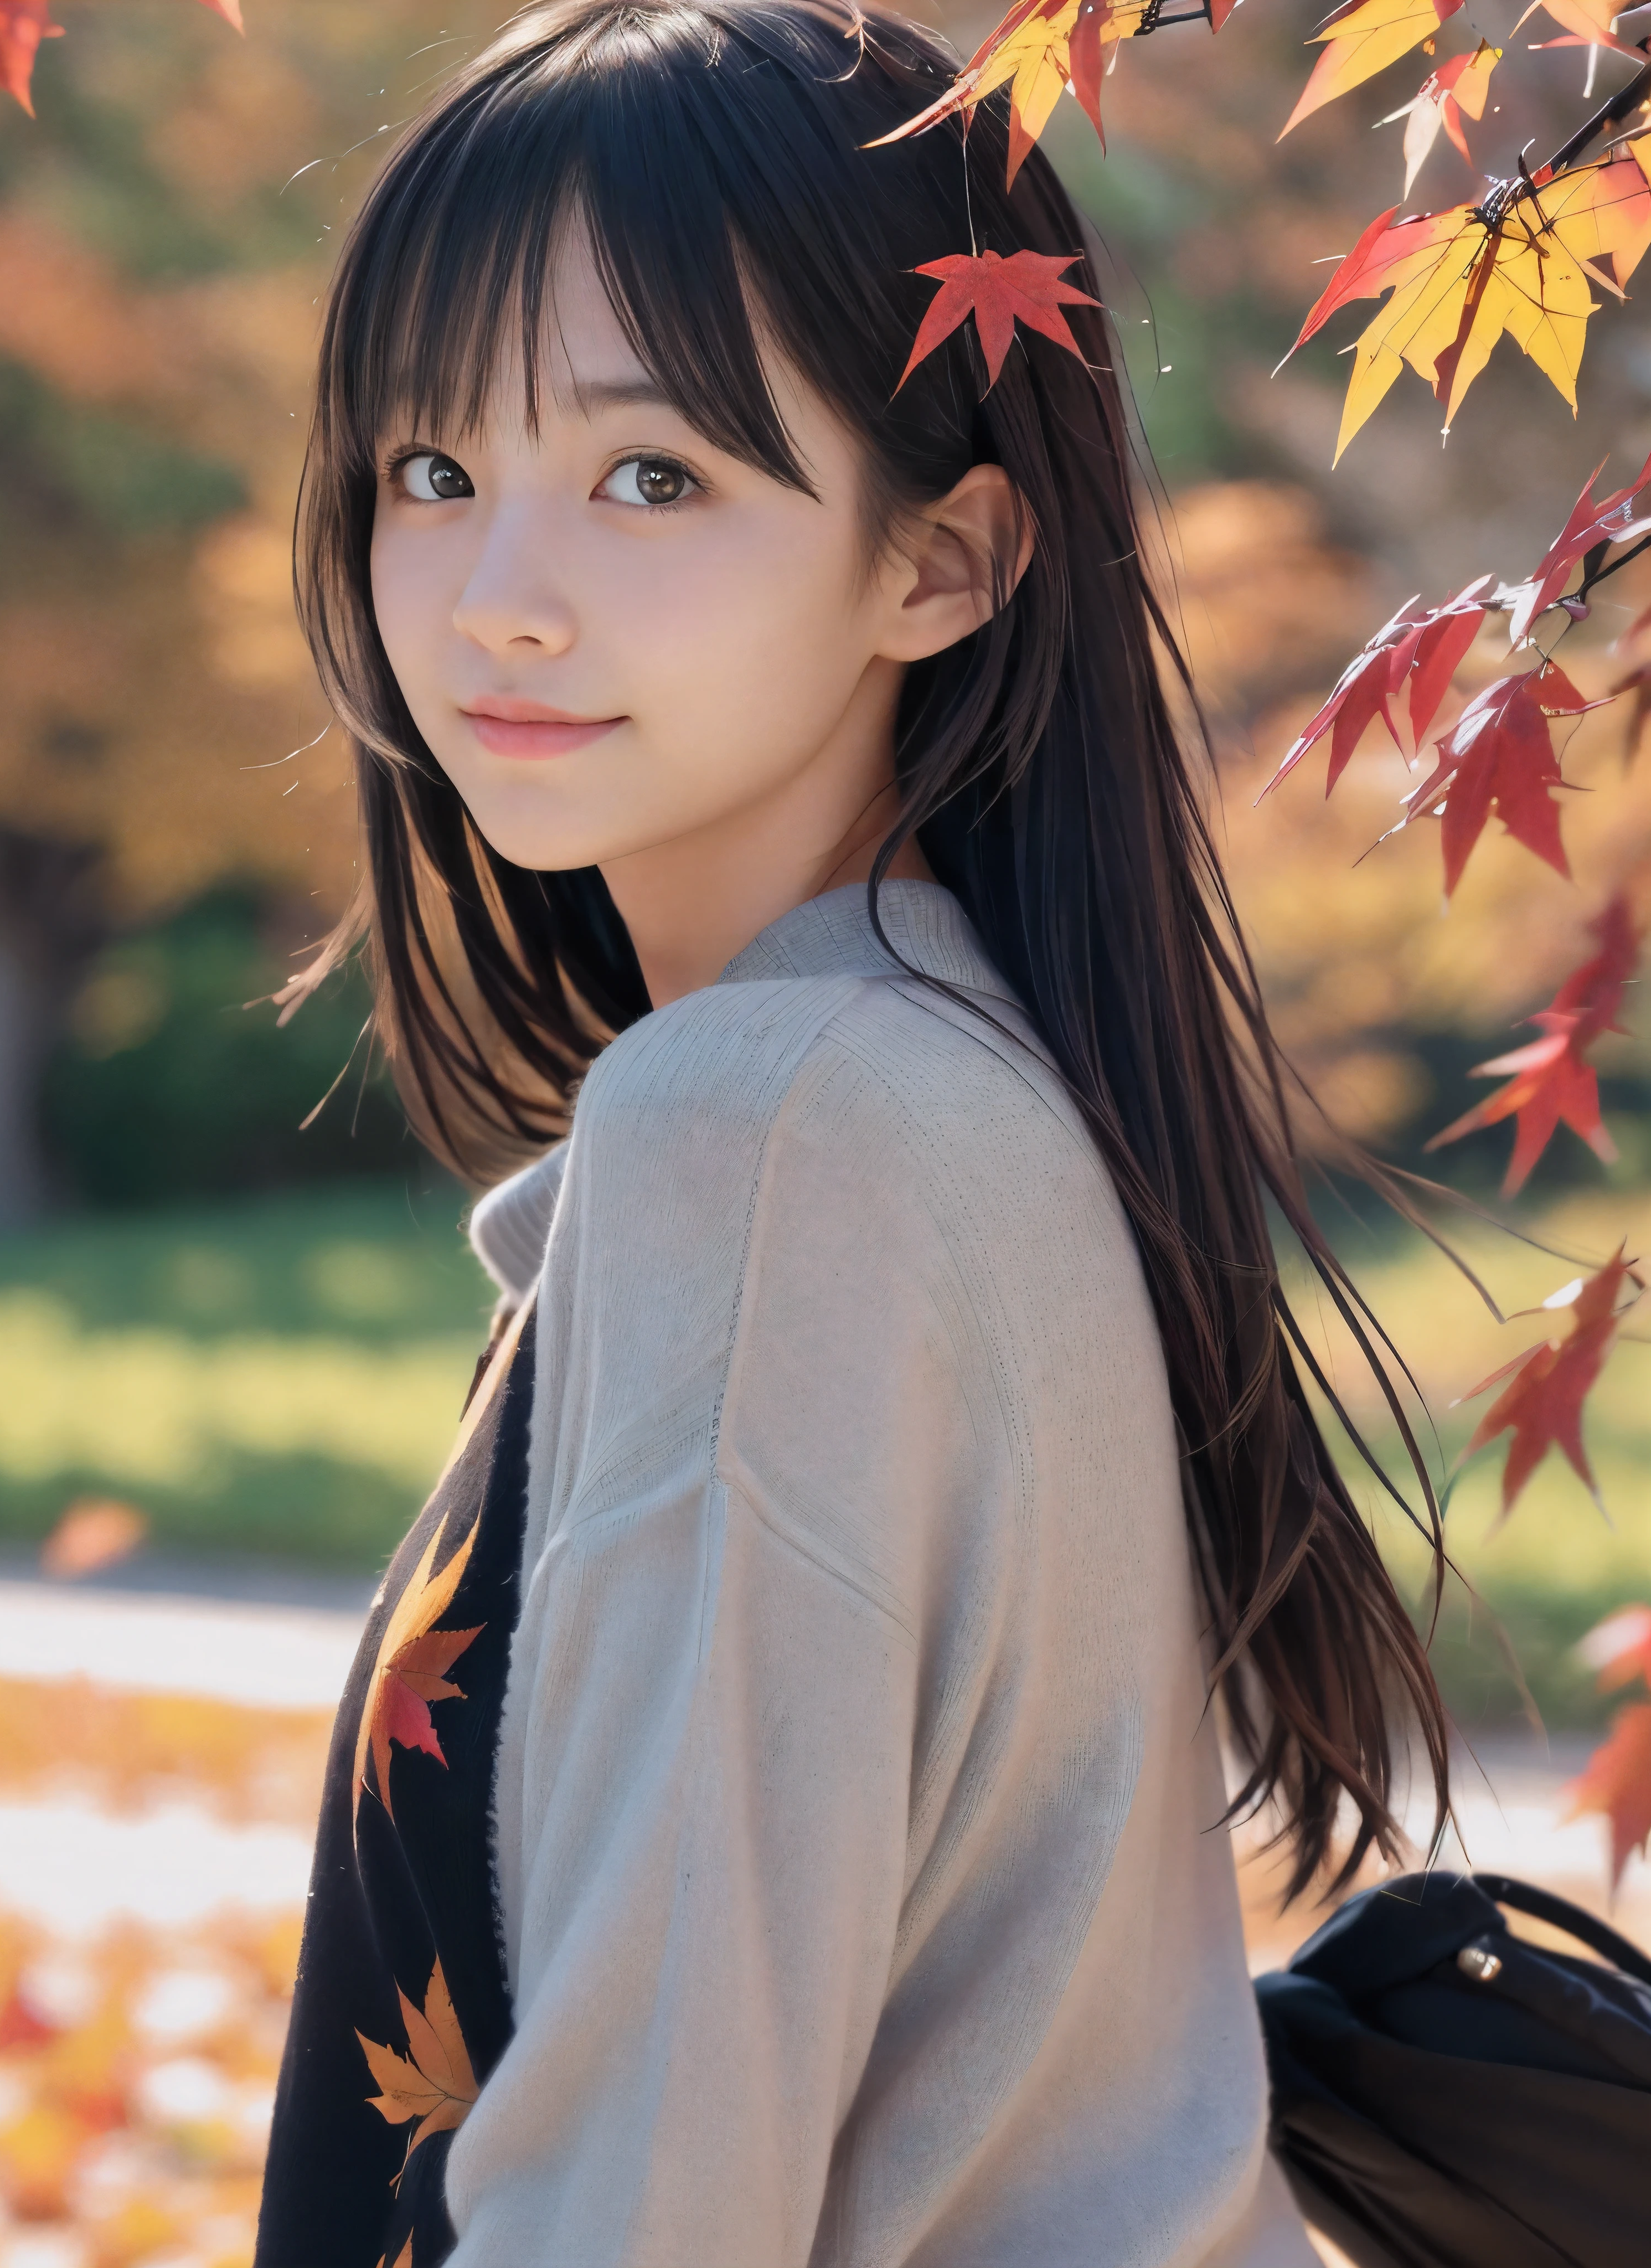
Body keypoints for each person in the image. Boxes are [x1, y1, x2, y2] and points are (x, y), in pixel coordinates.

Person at [255, 4, 1451, 2262]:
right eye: (429, 469)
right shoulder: (946, 1084)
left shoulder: (778, 1126)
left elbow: (641, 2195)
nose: (495, 587)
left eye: (648, 476)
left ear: (944, 560)